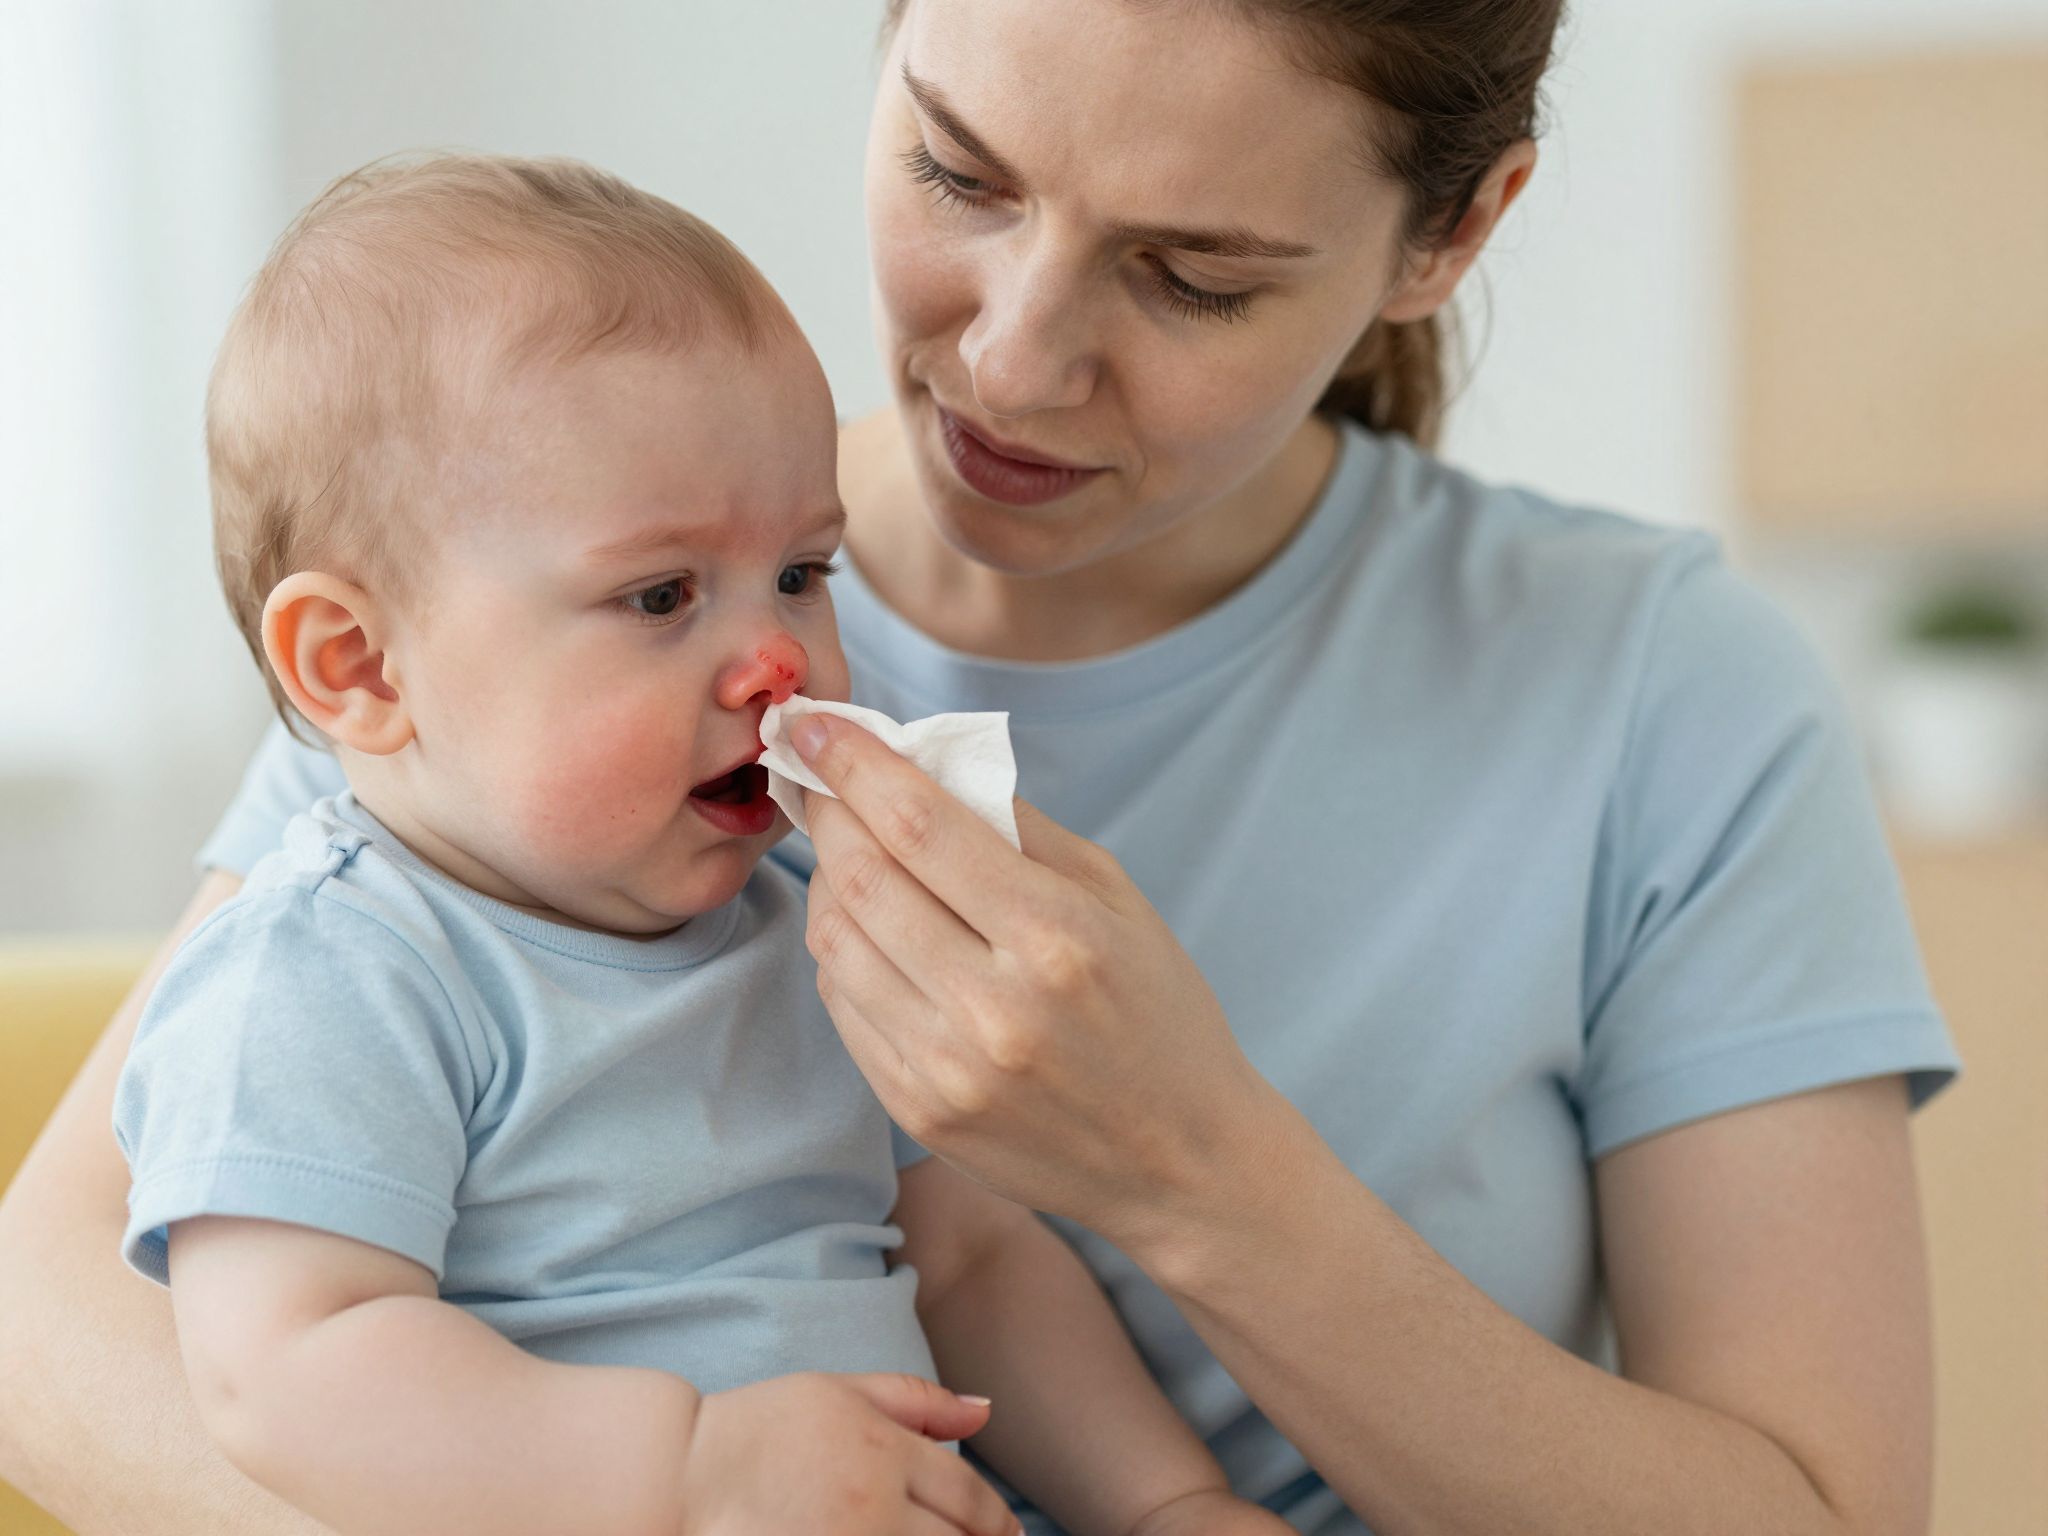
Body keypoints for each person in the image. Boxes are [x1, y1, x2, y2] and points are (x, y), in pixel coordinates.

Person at [0, 3, 1959, 1534]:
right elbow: (69, 1326)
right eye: (957, 170)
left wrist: (1200, 1177)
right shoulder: (504, 644)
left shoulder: (1660, 695)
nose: (1011, 363)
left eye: (1193, 276)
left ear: (1447, 235)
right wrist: (663, 1498)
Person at [101, 152, 1292, 1536]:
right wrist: (689, 1469)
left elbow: (971, 1260)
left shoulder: (809, 916)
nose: (777, 658)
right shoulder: (332, 973)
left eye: (802, 572)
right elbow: (288, 1373)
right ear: (360, 665)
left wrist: (1166, 1505)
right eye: (662, 595)